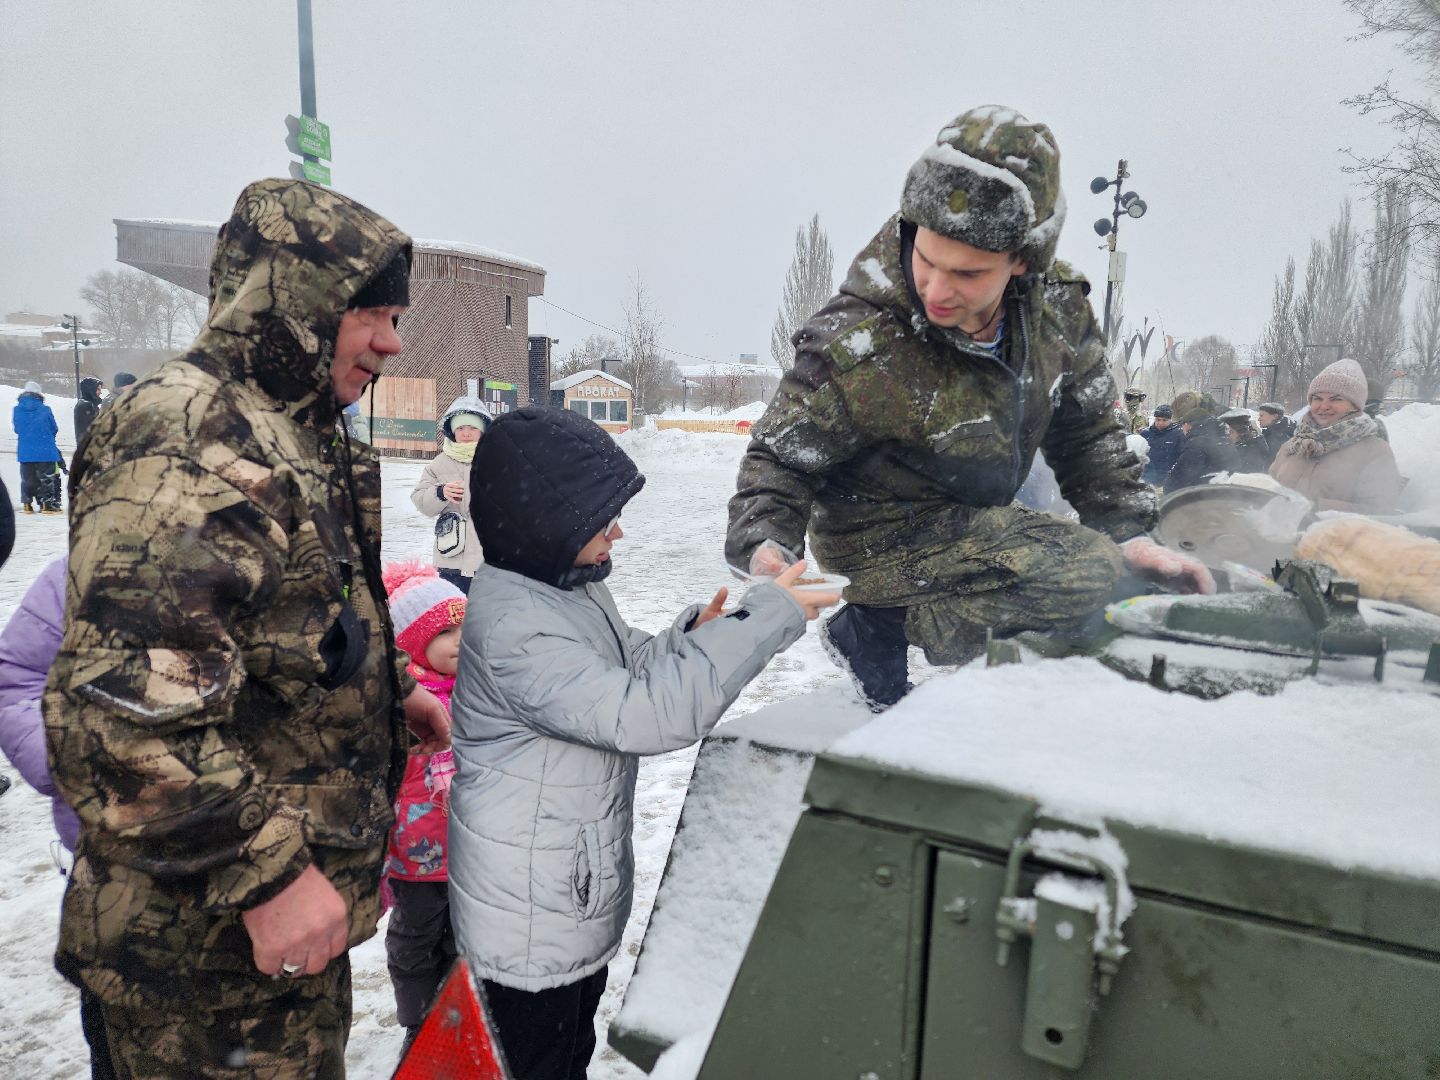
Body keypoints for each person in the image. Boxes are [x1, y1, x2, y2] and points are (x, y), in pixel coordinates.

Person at [43, 178, 452, 1078]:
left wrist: (392, 696)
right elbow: (122, 711)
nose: (391, 341)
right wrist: (266, 873)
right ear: (293, 301)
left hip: (265, 942)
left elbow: (290, 625)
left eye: (395, 315)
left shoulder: (292, 431)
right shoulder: (188, 434)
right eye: (369, 313)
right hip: (197, 951)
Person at [724, 105, 1210, 710]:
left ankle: (923, 647)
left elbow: (1088, 434)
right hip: (878, 535)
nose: (936, 290)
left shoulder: (1058, 313)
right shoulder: (860, 342)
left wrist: (1129, 531)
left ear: (1022, 262)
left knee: (1120, 575)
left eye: (968, 273)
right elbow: (779, 461)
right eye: (926, 260)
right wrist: (767, 547)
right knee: (1091, 575)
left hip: (976, 512)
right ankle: (881, 622)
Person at [447, 405, 838, 1080]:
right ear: (545, 522)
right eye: (602, 521)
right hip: (527, 923)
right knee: (532, 1062)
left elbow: (624, 666)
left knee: (566, 1051)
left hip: (560, 897)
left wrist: (697, 635)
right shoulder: (518, 628)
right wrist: (769, 617)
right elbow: (649, 714)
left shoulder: (561, 589)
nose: (618, 533)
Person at [0, 557, 115, 1078]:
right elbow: (17, 680)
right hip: (108, 874)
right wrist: (65, 763)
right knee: (119, 1036)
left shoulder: (294, 561)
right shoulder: (81, 570)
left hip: (275, 875)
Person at [380, 561, 464, 1058]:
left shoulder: (477, 690)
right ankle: (417, 1020)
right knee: (414, 940)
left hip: (468, 851)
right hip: (416, 855)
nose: (460, 641)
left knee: (459, 940)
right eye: (444, 632)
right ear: (411, 641)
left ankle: (452, 1017)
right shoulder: (399, 704)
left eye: (464, 628)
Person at [1269, 358, 1402, 514]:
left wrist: (1313, 508)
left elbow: (1379, 512)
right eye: (1318, 398)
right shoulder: (1293, 445)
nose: (1324, 406)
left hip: (1330, 530)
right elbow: (1270, 489)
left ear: (1355, 405)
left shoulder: (1375, 452)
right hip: (1274, 528)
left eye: (1336, 399)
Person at [410, 397, 493, 590]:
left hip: (489, 563)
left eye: (472, 428)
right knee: (453, 610)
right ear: (452, 430)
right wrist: (440, 493)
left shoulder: (498, 460)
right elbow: (420, 501)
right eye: (460, 428)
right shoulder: (439, 464)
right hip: (450, 560)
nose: (466, 433)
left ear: (483, 430)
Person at [14, 380, 64, 514]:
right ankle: (47, 505)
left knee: (27, 479)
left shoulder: (17, 410)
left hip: (25, 451)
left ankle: (27, 504)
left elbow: (17, 429)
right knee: (47, 478)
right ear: (38, 394)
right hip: (46, 450)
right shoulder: (45, 409)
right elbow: (54, 428)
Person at [1163, 408, 1241, 493]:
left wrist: (1167, 489)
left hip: (1203, 496)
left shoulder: (1197, 444)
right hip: (1228, 494)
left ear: (1187, 425)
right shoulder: (1226, 440)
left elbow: (1181, 476)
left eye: (1182, 425)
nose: (1182, 429)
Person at [1139, 404, 1184, 486]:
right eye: (1158, 419)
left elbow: (1181, 458)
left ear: (1170, 420)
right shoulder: (1145, 433)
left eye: (1164, 420)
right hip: (1147, 477)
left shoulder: (1178, 434)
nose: (1160, 423)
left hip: (1167, 479)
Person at [74, 377, 105, 443]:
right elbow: (93, 430)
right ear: (91, 390)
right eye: (98, 389)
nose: (100, 392)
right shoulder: (86, 405)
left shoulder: (87, 403)